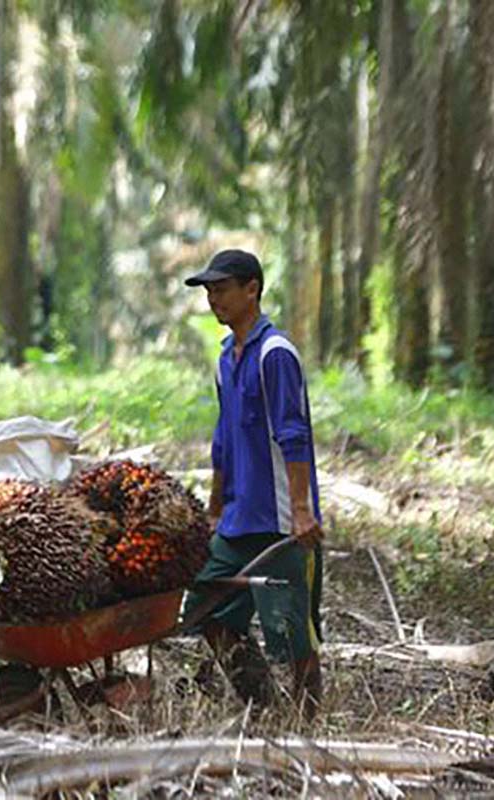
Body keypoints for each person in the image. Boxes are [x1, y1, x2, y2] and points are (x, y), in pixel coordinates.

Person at [181, 248, 324, 720]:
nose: (213, 299)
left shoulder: (274, 354)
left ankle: (306, 721)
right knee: (205, 607)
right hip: (239, 516)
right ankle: (260, 703)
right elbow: (224, 438)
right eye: (208, 292)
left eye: (221, 289)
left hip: (281, 518)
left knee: (290, 627)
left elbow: (293, 433)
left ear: (252, 290)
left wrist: (302, 511)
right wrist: (215, 508)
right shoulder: (227, 357)